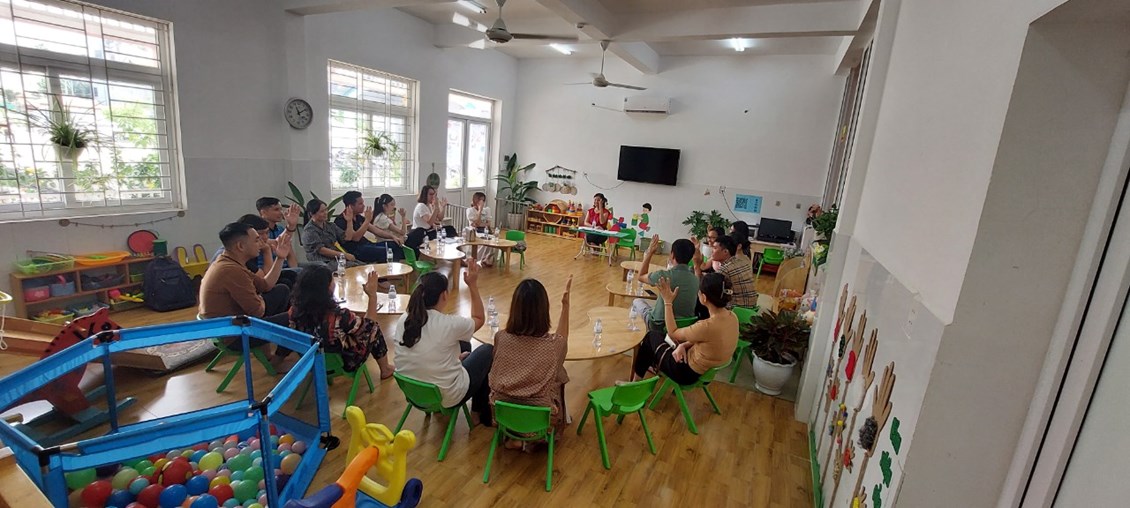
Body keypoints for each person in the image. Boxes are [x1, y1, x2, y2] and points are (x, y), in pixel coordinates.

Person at [393, 259, 494, 426]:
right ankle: (477, 412)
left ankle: (462, 401)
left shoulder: (404, 319)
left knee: (463, 344)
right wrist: (473, 285)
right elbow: (479, 318)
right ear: (444, 295)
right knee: (487, 350)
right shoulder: (448, 324)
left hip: (413, 393)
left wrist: (454, 361)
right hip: (446, 396)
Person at [199, 222, 293, 369]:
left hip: (234, 324)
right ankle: (276, 362)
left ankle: (270, 354)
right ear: (240, 246)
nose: (261, 243)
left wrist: (280, 258)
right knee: (296, 318)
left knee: (281, 290)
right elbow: (258, 311)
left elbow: (265, 285)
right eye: (256, 240)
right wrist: (259, 298)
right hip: (235, 336)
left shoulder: (230, 262)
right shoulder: (230, 270)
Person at [489, 277, 572, 440]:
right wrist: (565, 306)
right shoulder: (553, 346)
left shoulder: (501, 337)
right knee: (560, 375)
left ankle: (514, 438)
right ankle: (530, 441)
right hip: (538, 425)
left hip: (502, 418)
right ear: (544, 311)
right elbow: (562, 339)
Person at [630, 273, 738, 386]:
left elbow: (673, 333)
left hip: (687, 373)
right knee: (658, 339)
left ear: (704, 298)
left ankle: (635, 383)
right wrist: (684, 345)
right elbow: (709, 339)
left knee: (650, 337)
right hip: (706, 371)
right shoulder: (732, 317)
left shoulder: (706, 326)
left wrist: (667, 302)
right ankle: (652, 365)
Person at [288, 264, 394, 380]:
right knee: (374, 329)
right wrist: (372, 295)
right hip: (344, 363)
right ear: (327, 288)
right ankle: (385, 369)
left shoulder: (294, 311)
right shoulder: (339, 316)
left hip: (311, 359)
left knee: (357, 327)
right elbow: (370, 326)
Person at [632, 235, 700, 332]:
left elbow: (641, 276)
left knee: (637, 301)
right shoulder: (696, 279)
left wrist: (649, 253)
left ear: (672, 255)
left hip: (659, 325)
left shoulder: (662, 275)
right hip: (684, 327)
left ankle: (640, 336)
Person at [695, 235, 758, 309]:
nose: (712, 251)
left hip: (736, 310)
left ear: (725, 252)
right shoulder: (742, 262)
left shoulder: (724, 270)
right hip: (751, 309)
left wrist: (696, 265)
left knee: (703, 299)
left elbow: (703, 288)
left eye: (714, 248)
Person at [334, 191, 396, 263]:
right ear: (350, 206)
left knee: (393, 245)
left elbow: (377, 231)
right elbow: (356, 238)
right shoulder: (341, 220)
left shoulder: (358, 217)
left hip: (367, 244)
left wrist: (393, 237)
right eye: (360, 204)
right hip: (356, 250)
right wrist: (367, 220)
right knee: (385, 251)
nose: (363, 206)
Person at [238, 214, 297, 288]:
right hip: (253, 289)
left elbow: (279, 241)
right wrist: (267, 251)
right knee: (282, 287)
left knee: (292, 275)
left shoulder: (258, 244)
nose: (265, 237)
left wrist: (291, 226)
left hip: (261, 283)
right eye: (260, 234)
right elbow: (265, 283)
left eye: (267, 233)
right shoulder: (239, 255)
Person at [302, 199, 361, 267]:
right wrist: (344, 255)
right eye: (322, 211)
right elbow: (321, 250)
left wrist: (349, 221)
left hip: (338, 259)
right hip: (323, 262)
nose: (326, 213)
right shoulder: (309, 230)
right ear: (311, 214)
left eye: (326, 210)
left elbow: (347, 238)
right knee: (354, 266)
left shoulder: (330, 225)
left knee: (362, 266)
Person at [255, 197, 300, 269]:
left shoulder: (281, 229)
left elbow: (290, 254)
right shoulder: (256, 231)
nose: (281, 213)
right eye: (276, 210)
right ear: (263, 212)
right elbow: (277, 243)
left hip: (284, 267)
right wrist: (291, 226)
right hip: (267, 270)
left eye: (281, 209)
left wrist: (296, 270)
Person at [372, 193, 409, 259]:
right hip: (389, 243)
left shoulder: (382, 216)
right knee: (417, 233)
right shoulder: (383, 218)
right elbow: (402, 232)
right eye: (392, 205)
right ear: (384, 206)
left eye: (394, 205)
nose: (394, 207)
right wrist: (403, 217)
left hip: (393, 241)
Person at [466, 191, 496, 267]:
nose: (481, 202)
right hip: (474, 232)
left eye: (483, 200)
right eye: (480, 200)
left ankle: (487, 259)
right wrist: (479, 210)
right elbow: (477, 223)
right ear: (475, 200)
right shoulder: (470, 210)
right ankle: (475, 260)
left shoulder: (487, 210)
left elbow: (488, 223)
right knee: (483, 242)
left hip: (485, 231)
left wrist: (482, 225)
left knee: (493, 240)